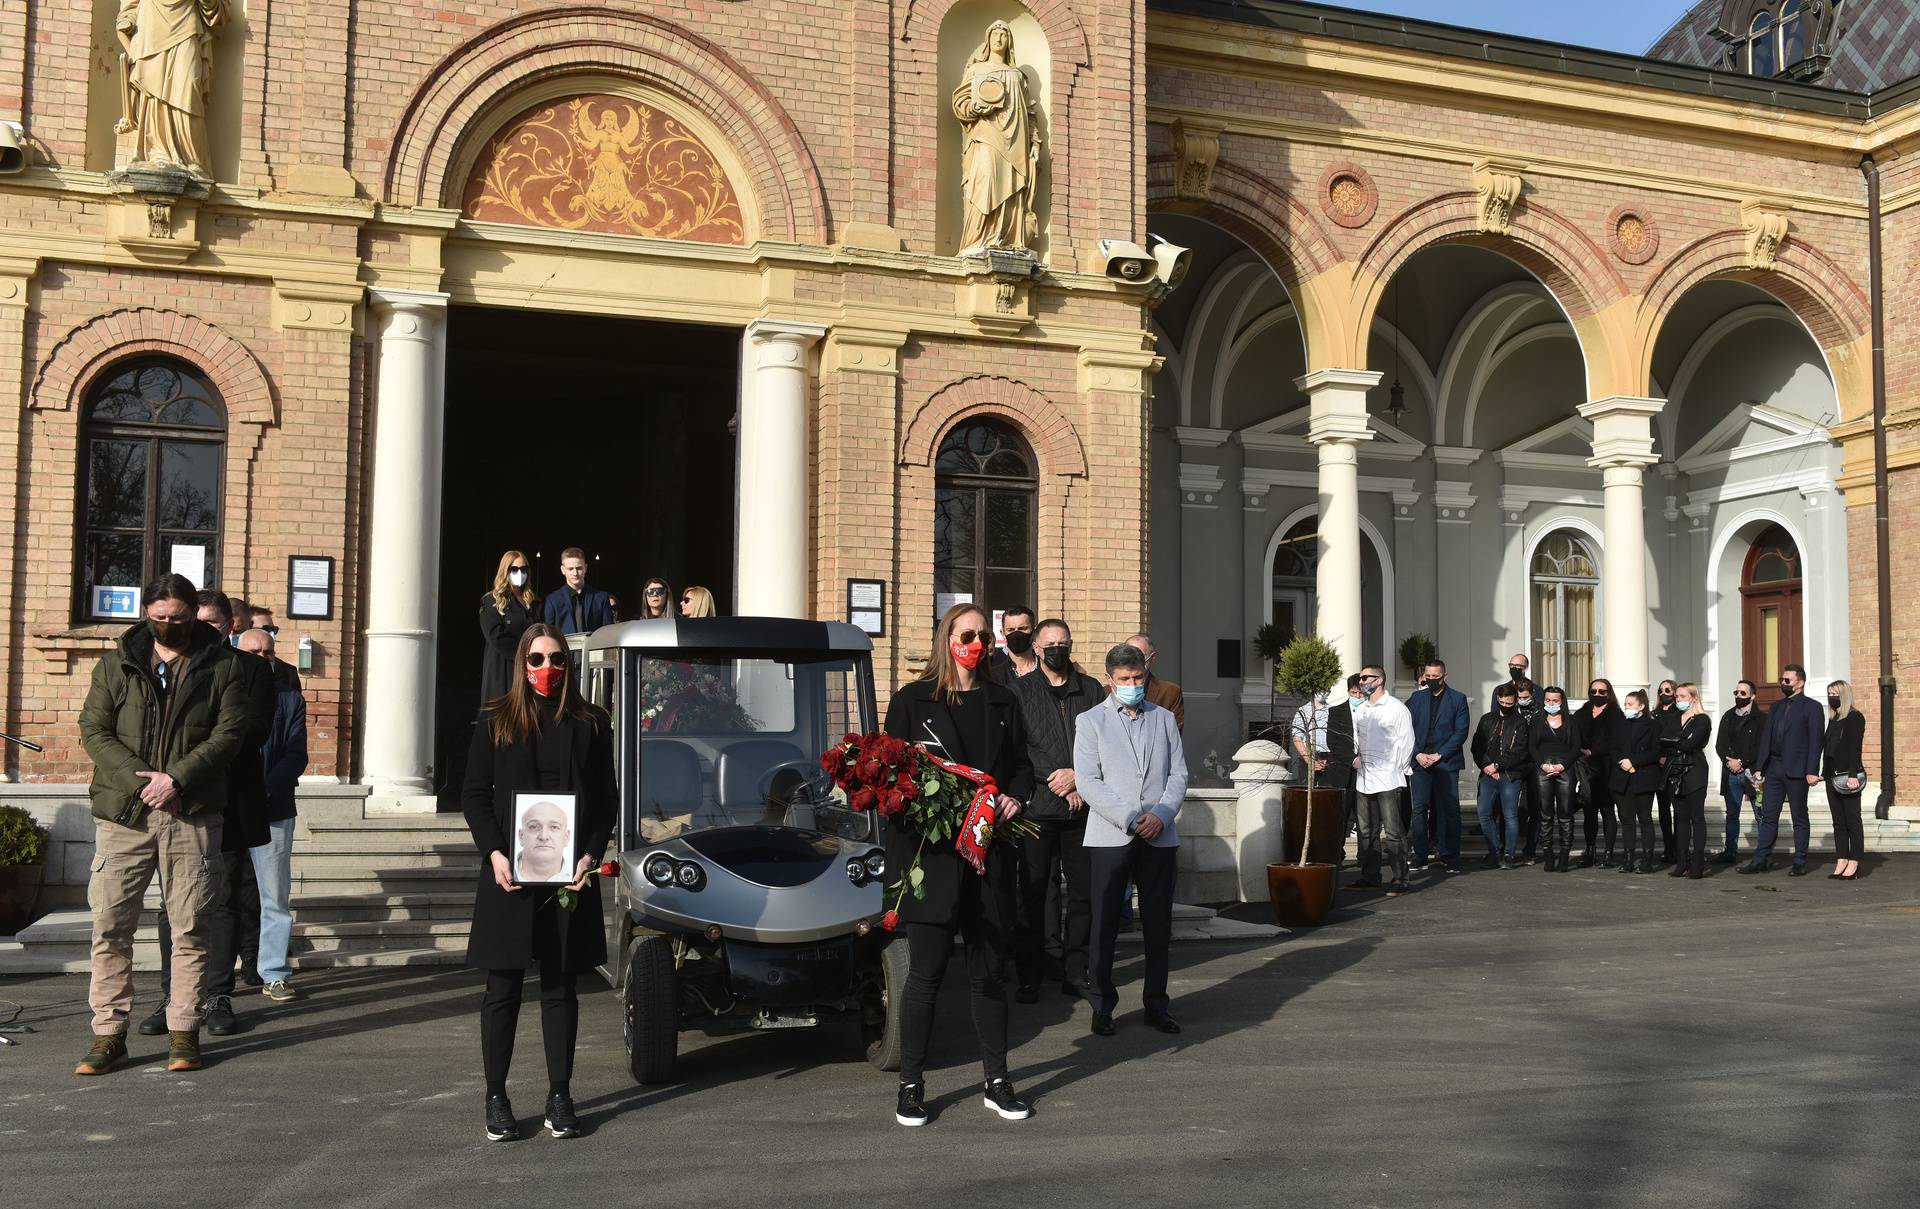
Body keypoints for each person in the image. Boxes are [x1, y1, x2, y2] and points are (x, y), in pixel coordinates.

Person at [75, 574, 249, 1077]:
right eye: (159, 617)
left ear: (194, 613)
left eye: (177, 617)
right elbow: (93, 729)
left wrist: (176, 778)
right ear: (145, 613)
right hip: (124, 815)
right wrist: (142, 782)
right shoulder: (116, 664)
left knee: (192, 925)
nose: (168, 626)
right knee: (110, 925)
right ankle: (108, 1036)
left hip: (191, 813)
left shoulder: (223, 666)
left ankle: (184, 1032)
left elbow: (229, 733)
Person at [462, 623, 617, 1142]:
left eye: (555, 659)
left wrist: (591, 854)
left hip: (567, 876)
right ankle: (496, 1095)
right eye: (536, 660)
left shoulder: (592, 722)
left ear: (568, 664)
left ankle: (559, 1094)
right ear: (521, 664)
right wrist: (495, 852)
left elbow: (604, 799)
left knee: (560, 986)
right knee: (502, 988)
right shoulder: (496, 719)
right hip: (510, 873)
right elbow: (474, 795)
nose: (545, 669)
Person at [883, 603, 1034, 1128]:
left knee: (990, 976)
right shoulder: (910, 700)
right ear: (947, 639)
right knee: (924, 976)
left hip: (988, 855)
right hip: (933, 857)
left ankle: (997, 1080)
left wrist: (1015, 797)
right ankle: (911, 1086)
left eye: (982, 636)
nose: (977, 643)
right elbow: (892, 779)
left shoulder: (1003, 700)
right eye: (966, 634)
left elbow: (1019, 766)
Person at [147, 589, 274, 1038]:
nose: (201, 631)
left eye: (211, 623)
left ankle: (217, 995)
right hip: (173, 802)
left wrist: (195, 759)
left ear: (229, 626)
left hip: (230, 801)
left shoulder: (253, 669)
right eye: (192, 621)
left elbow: (252, 730)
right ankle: (172, 997)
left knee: (221, 902)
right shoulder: (166, 667)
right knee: (171, 905)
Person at [1077, 642, 1187, 1038]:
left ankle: (1157, 1004)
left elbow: (1179, 774)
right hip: (1111, 834)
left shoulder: (1163, 719)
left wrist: (1160, 814)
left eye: (1138, 678)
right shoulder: (1090, 721)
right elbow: (1088, 781)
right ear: (1110, 680)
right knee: (1104, 923)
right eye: (1124, 679)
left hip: (1160, 834)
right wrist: (1129, 817)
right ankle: (1102, 1005)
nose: (1132, 684)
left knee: (1159, 925)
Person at [1011, 618, 1103, 1002]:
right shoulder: (1018, 692)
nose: (1057, 649)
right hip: (1037, 806)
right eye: (1050, 643)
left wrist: (1079, 778)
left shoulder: (1092, 690)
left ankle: (1074, 968)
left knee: (1083, 894)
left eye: (1063, 642)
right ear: (1036, 648)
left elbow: (1104, 742)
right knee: (1035, 892)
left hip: (1083, 810)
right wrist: (1057, 778)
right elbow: (1018, 748)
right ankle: (1033, 969)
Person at [239, 627, 306, 1001]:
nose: (262, 658)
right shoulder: (227, 695)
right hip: (228, 808)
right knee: (218, 894)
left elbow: (296, 754)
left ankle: (275, 972)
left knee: (274, 896)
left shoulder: (290, 699)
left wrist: (265, 787)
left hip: (273, 808)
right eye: (254, 651)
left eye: (268, 652)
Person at [1742, 663, 1825, 876]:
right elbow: (1766, 739)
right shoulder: (1777, 707)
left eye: (1787, 680)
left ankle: (1800, 861)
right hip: (1774, 768)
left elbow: (1816, 741)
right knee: (1769, 816)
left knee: (1799, 816)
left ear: (1800, 683)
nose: (1783, 683)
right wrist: (1760, 768)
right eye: (1782, 680)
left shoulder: (1812, 707)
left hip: (1797, 770)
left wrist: (1812, 770)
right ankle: (1761, 859)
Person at [1351, 665, 1415, 894]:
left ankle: (1401, 879)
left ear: (1379, 680)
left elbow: (1407, 742)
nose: (1361, 681)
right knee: (1366, 831)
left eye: (1365, 677)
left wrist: (1398, 768)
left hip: (1389, 778)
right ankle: (1370, 876)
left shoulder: (1396, 709)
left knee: (1394, 832)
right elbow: (1356, 739)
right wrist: (1355, 758)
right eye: (1360, 678)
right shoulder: (1361, 710)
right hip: (1364, 778)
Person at [1407, 659, 1469, 874]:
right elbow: (1405, 730)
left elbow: (1461, 732)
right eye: (1429, 677)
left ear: (1445, 676)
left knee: (1449, 810)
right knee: (1419, 809)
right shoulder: (1416, 699)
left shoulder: (1458, 699)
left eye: (1436, 677)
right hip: (1420, 762)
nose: (1432, 680)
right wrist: (1418, 754)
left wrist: (1439, 755)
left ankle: (1450, 856)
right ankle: (1420, 856)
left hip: (1446, 763)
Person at [1471, 682, 1531, 869]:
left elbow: (1520, 750)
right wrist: (1487, 765)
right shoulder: (1487, 719)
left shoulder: (1520, 722)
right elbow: (1477, 746)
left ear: (1515, 701)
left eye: (1509, 703)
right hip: (1488, 772)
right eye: (1502, 702)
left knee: (1510, 815)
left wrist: (1498, 765)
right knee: (1484, 813)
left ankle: (1509, 854)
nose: (1505, 706)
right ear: (1497, 700)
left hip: (1510, 774)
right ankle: (1494, 850)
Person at [1660, 683, 1713, 879]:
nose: (1679, 700)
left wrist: (1676, 743)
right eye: (1678, 697)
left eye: (1683, 696)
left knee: (1696, 817)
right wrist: (1677, 743)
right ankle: (1681, 863)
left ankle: (1697, 865)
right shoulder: (1674, 718)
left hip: (1695, 771)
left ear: (1693, 698)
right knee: (1680, 818)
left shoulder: (1702, 720)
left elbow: (1691, 743)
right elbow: (1663, 739)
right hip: (1674, 771)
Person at [1713, 680, 1765, 864]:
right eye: (1736, 692)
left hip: (1752, 773)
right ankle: (1730, 851)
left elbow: (1761, 747)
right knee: (1732, 814)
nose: (1738, 696)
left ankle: (1763, 853)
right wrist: (1730, 762)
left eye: (1743, 693)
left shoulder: (1761, 719)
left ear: (1752, 696)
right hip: (1731, 772)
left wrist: (1742, 762)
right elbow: (1720, 744)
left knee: (1760, 814)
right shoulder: (1728, 716)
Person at [1529, 687, 1580, 873]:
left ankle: (1564, 856)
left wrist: (1562, 766)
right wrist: (1543, 765)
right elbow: (1532, 746)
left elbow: (1576, 746)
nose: (1551, 704)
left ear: (1562, 701)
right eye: (1548, 700)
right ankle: (1548, 855)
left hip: (1565, 769)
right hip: (1543, 769)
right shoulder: (1537, 720)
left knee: (1566, 814)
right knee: (1545, 814)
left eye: (1555, 700)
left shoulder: (1571, 720)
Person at [1573, 679, 1622, 867]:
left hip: (1608, 769)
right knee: (1589, 813)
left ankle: (1609, 853)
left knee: (1608, 812)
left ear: (1609, 693)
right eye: (1594, 691)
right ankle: (1590, 851)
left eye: (1602, 691)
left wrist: (1593, 751)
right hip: (1587, 771)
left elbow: (1615, 741)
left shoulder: (1616, 714)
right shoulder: (1582, 712)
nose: (1598, 694)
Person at [1611, 690, 1662, 874]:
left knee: (1645, 819)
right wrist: (1624, 763)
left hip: (1644, 777)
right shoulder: (1620, 724)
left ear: (1641, 706)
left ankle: (1647, 861)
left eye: (1630, 704)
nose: (1627, 707)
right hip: (1622, 777)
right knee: (1626, 820)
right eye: (1625, 704)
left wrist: (1634, 763)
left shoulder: (1653, 725)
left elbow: (1655, 751)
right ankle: (1628, 860)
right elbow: (1613, 747)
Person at [480, 550, 537, 708]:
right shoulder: (492, 601)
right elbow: (495, 636)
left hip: (529, 668)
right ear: (505, 571)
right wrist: (523, 654)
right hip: (503, 668)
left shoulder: (533, 602)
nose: (520, 573)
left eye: (524, 569)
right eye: (514, 569)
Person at [1822, 680, 1867, 880]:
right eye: (1829, 693)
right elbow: (1828, 749)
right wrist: (1824, 772)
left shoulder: (1855, 718)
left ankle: (1855, 861)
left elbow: (1854, 748)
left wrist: (1852, 775)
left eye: (1835, 693)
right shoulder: (1833, 718)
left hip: (1848, 777)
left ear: (1844, 695)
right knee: (1838, 822)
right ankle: (1842, 858)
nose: (1831, 697)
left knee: (1852, 820)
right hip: (1832, 776)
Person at [541, 548, 613, 635]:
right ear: (563, 570)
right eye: (570, 569)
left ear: (585, 568)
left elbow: (609, 633)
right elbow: (548, 635)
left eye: (579, 568)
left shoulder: (602, 598)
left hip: (594, 648)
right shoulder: (552, 600)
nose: (575, 573)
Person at [1125, 633, 1185, 731]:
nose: (1133, 661)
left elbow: (1173, 733)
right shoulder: (1108, 691)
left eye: (1140, 656)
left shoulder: (1169, 692)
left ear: (1152, 658)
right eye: (1128, 656)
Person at [1511, 680, 1541, 862]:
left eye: (1525, 697)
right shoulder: (1512, 710)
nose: (1522, 700)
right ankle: (1509, 848)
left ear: (1532, 695)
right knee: (1511, 807)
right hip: (1515, 763)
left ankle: (1530, 848)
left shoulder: (1540, 712)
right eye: (1519, 697)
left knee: (1535, 807)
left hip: (1535, 764)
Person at [1651, 678, 1680, 864]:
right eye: (1661, 690)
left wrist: (1668, 756)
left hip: (1675, 765)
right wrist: (1658, 756)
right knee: (1663, 810)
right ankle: (1668, 847)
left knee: (1677, 808)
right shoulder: (1654, 714)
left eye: (1667, 690)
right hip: (1658, 767)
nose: (1664, 693)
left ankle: (1678, 848)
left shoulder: (1680, 714)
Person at [990, 605, 1039, 686]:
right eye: (1011, 630)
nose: (1016, 634)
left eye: (1022, 628)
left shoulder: (1048, 671)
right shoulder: (994, 677)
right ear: (1003, 634)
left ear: (1034, 631)